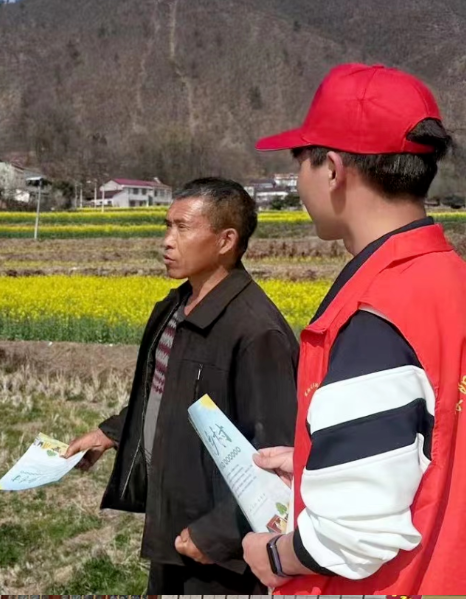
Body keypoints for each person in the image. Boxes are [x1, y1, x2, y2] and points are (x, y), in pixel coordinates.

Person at [243, 63, 466, 594]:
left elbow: (354, 538)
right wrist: (328, 460)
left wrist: (273, 554)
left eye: (301, 161)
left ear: (333, 170)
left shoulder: (377, 314)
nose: (300, 181)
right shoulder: (450, 277)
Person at [65, 177, 298, 594]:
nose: (167, 241)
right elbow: (166, 392)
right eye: (167, 226)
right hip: (172, 526)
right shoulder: (174, 309)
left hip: (220, 555)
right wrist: (112, 432)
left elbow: (277, 455)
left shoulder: (256, 332)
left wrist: (218, 534)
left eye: (183, 228)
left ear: (226, 240)